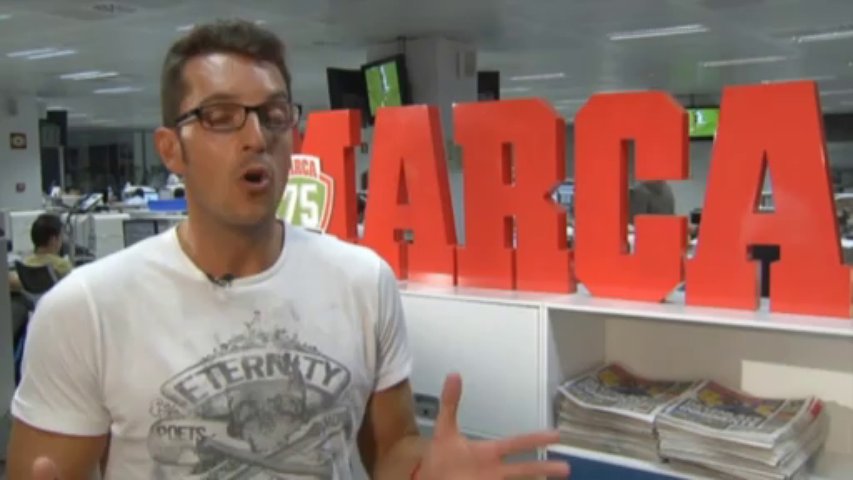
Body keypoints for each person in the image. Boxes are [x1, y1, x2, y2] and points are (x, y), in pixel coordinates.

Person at [6, 20, 569, 480]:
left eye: (274, 115)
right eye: (220, 117)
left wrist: (427, 472)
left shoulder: (362, 282)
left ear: (294, 138)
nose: (256, 137)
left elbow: (391, 450)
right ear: (171, 149)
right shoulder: (86, 309)